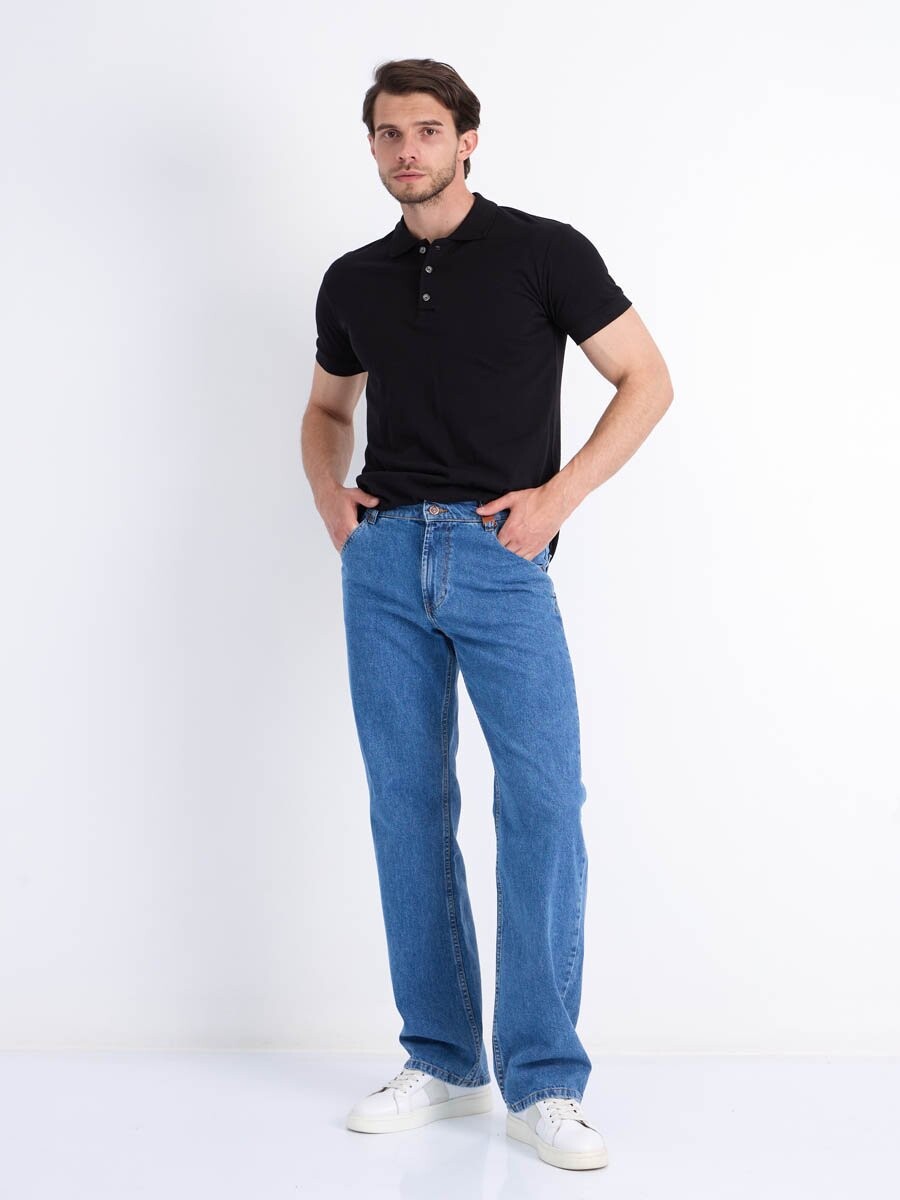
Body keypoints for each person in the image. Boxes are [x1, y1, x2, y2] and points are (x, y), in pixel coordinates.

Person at [301, 57, 673, 1172]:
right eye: (387, 133)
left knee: (544, 803)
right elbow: (327, 408)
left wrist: (556, 501)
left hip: (502, 555)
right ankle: (444, 1058)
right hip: (383, 561)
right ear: (372, 148)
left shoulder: (543, 252)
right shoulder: (353, 279)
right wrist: (330, 497)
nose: (405, 150)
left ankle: (544, 1080)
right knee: (407, 808)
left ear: (467, 139)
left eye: (426, 130)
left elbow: (646, 379)